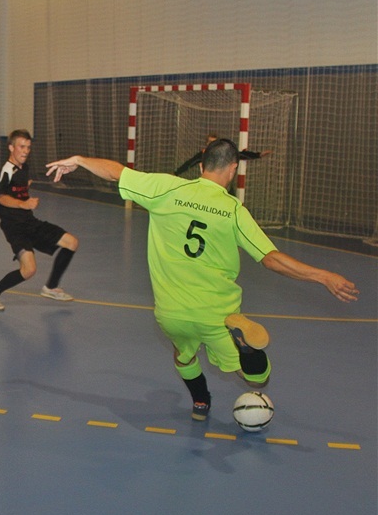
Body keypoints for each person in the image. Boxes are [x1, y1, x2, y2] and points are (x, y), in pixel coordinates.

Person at [46, 139, 359, 420]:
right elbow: (271, 259)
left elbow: (116, 172)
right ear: (233, 168)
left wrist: (81, 160)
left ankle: (200, 401)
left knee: (183, 354)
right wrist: (323, 275)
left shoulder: (166, 188)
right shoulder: (233, 209)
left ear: (200, 166)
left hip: (170, 313)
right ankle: (248, 350)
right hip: (217, 315)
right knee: (258, 378)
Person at [0, 129, 79, 311]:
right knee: (29, 270)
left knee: (72, 243)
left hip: (30, 223)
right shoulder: (7, 170)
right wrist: (23, 204)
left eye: (28, 147)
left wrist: (24, 190)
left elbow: (16, 191)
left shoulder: (24, 168)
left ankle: (51, 287)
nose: (26, 151)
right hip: (15, 228)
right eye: (21, 147)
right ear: (11, 147)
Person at [174, 133, 273, 177]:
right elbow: (190, 163)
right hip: (209, 183)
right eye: (210, 142)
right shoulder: (203, 154)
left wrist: (258, 155)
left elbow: (239, 154)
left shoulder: (223, 153)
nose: (212, 145)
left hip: (222, 183)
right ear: (206, 144)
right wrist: (176, 173)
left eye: (214, 142)